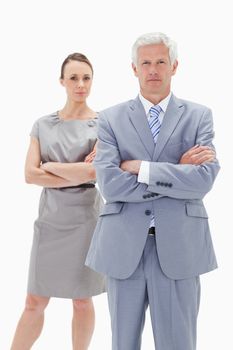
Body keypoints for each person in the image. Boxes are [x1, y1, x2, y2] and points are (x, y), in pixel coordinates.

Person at [86, 32, 220, 350]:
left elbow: (203, 180)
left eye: (161, 62)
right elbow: (110, 184)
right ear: (134, 69)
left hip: (180, 247)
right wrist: (178, 172)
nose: (153, 70)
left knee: (178, 344)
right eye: (145, 63)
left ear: (174, 66)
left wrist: (141, 168)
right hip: (123, 247)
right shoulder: (110, 118)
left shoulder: (199, 115)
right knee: (123, 343)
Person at [10, 53, 105, 350]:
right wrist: (74, 173)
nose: (80, 84)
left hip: (85, 219)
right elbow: (29, 174)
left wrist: (49, 166)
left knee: (81, 298)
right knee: (34, 299)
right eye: (74, 78)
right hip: (50, 220)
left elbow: (94, 172)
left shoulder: (104, 125)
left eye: (86, 78)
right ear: (62, 81)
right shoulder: (42, 125)